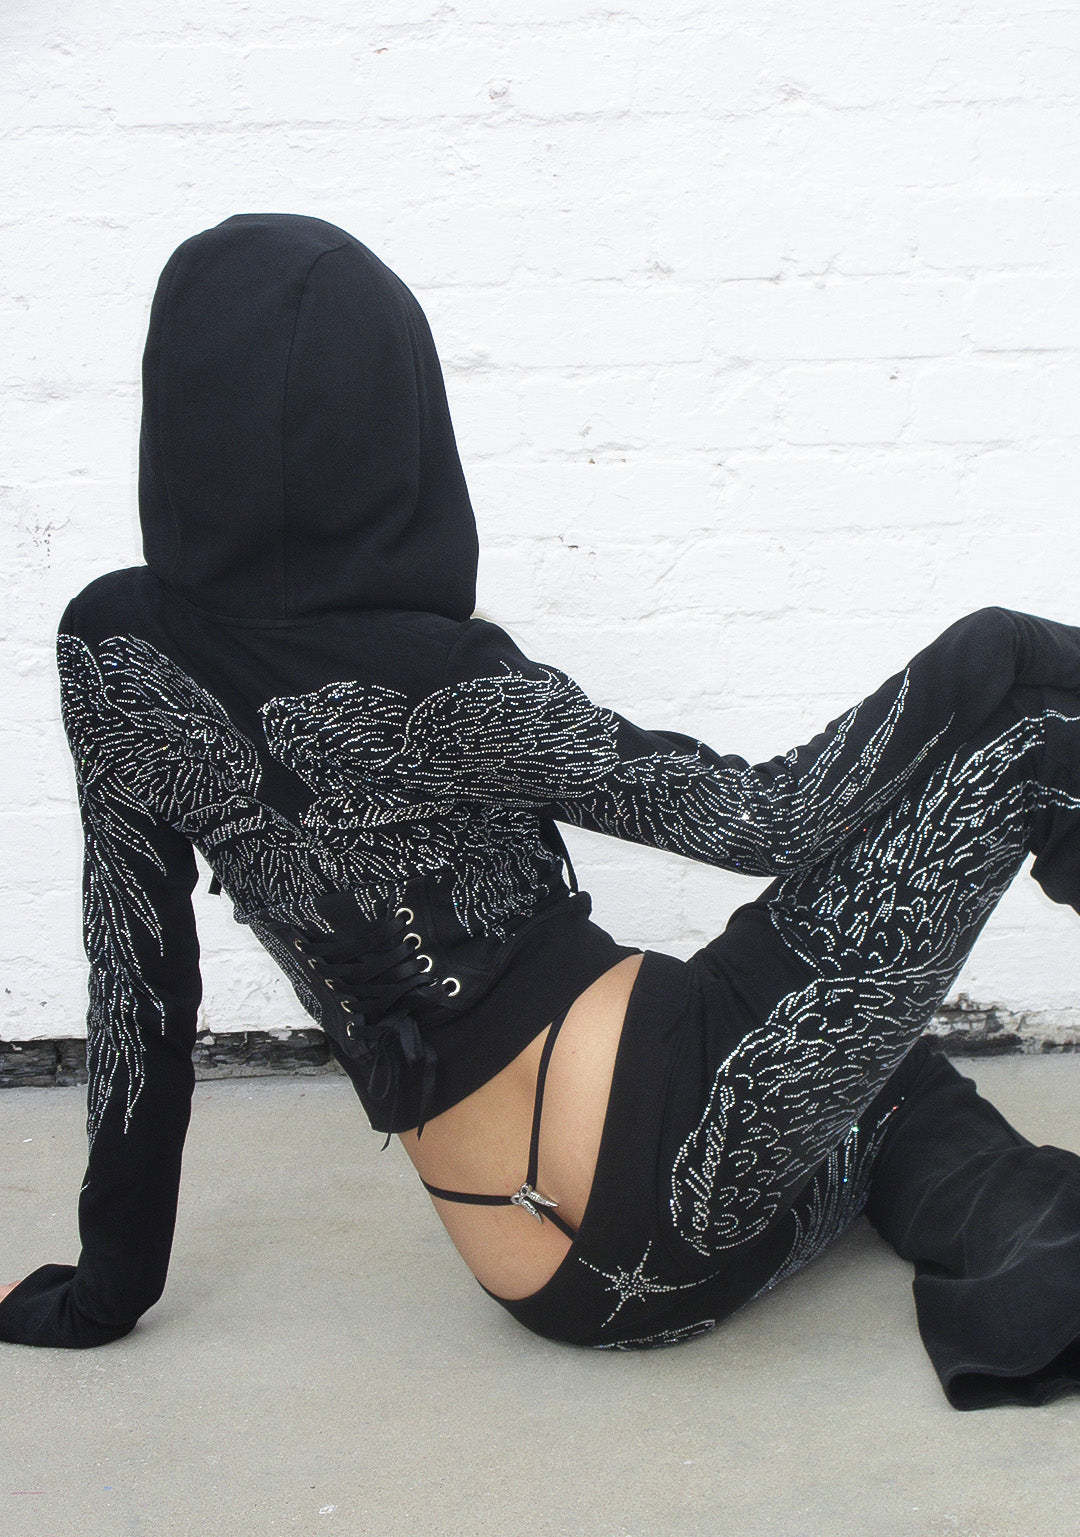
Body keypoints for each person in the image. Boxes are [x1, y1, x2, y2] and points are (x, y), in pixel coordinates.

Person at [2, 213, 1080, 1411]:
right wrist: (995, 645)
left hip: (557, 1279)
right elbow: (766, 819)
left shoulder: (115, 652)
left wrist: (106, 1288)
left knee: (893, 1088)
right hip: (681, 1152)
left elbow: (137, 993)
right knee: (1037, 731)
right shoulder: (446, 680)